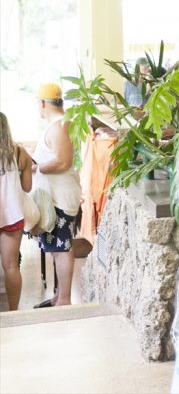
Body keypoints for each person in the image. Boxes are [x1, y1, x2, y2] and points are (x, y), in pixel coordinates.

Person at [31, 83, 80, 308]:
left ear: (42, 103)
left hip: (61, 198)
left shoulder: (60, 126)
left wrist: (38, 168)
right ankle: (59, 296)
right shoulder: (58, 124)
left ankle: (65, 300)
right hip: (55, 198)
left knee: (62, 250)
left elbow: (63, 161)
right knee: (55, 249)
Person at [0, 111, 34, 310]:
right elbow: (27, 187)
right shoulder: (21, 153)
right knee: (11, 266)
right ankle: (13, 312)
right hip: (12, 215)